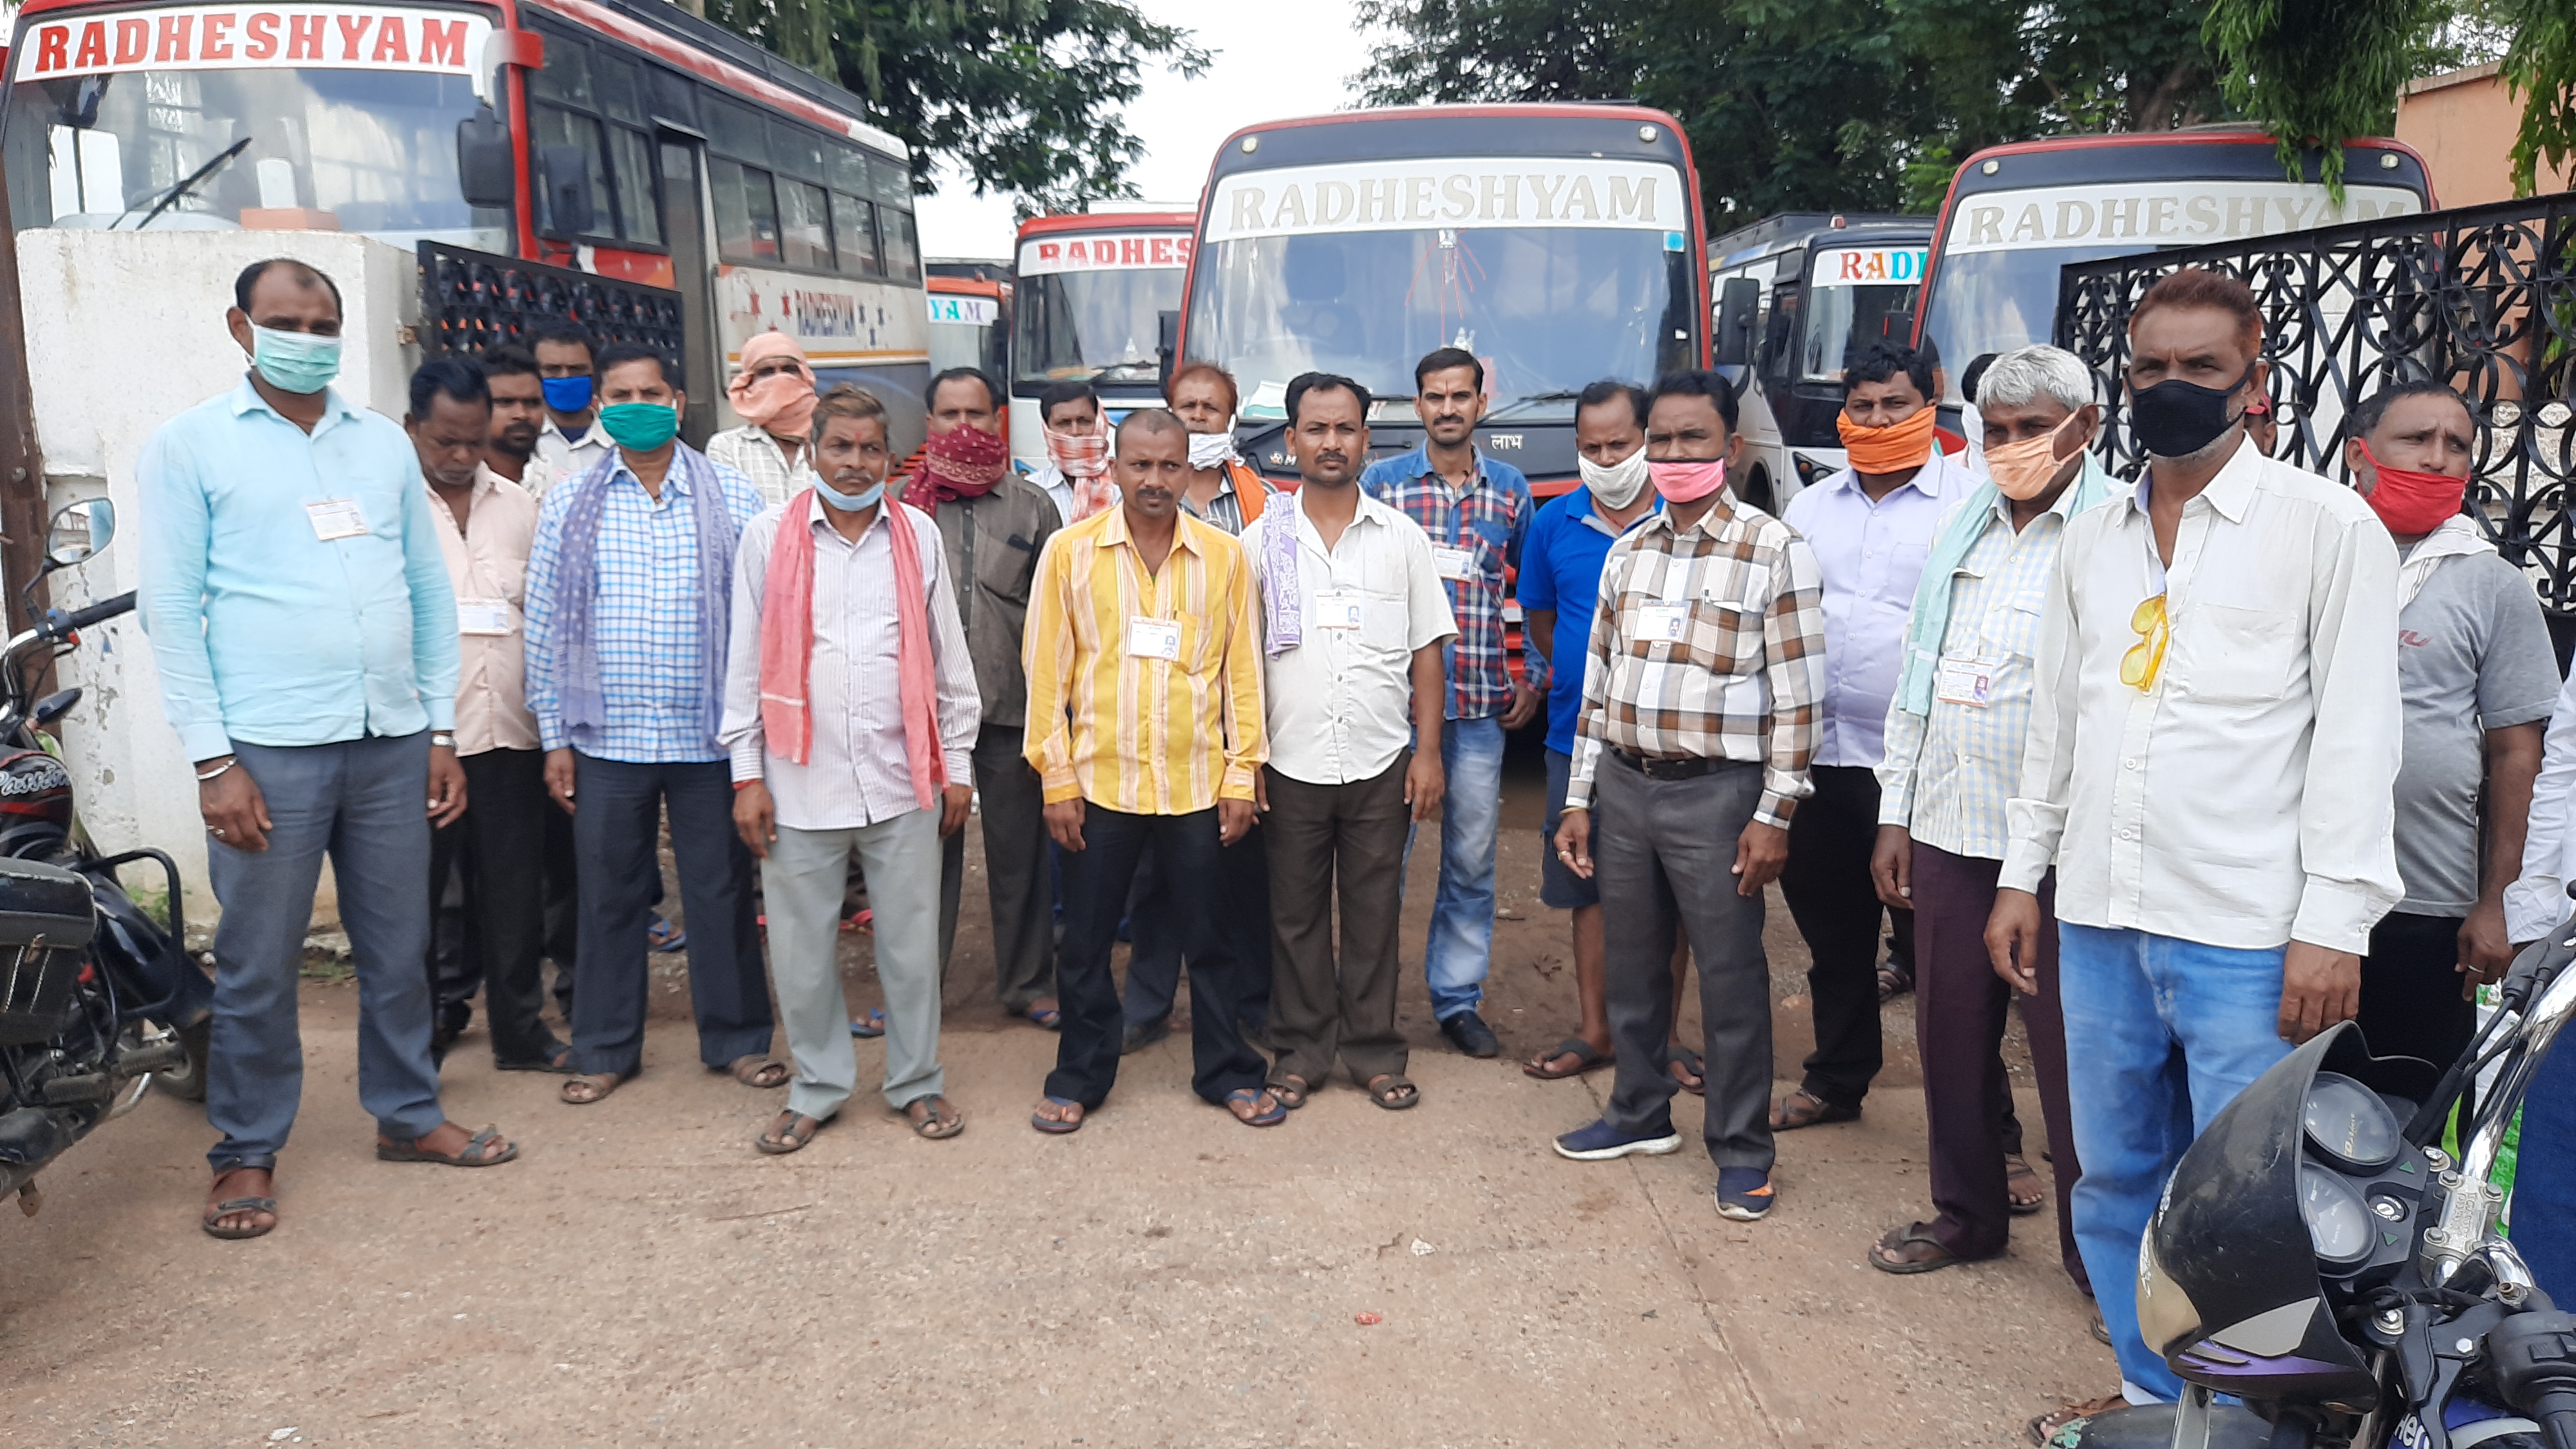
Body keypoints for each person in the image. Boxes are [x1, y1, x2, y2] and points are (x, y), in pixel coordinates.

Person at [1994, 269, 2402, 1432]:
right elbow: (2059, 722)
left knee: (2247, 1207)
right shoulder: (2095, 536)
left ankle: (2241, 1425)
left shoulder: (2326, 531)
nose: (2172, 390)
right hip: (2103, 919)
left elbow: (2358, 737)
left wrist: (2334, 922)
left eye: (2202, 369)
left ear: (2255, 383)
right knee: (2115, 1179)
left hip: (2248, 932)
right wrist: (2026, 876)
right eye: (2151, 372)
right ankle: (2148, 1395)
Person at [139, 258, 516, 1242]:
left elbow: (426, 593)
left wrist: (437, 730)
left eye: (323, 322)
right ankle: (246, 1149)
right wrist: (212, 760)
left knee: (399, 947)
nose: (306, 336)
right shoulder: (191, 447)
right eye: (285, 320)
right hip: (268, 749)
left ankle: (408, 1114)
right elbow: (172, 611)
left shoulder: (379, 448)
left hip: (392, 739)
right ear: (240, 326)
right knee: (260, 959)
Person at [1548, 370, 1824, 1225]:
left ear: (1729, 448)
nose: (1672, 456)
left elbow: (1800, 697)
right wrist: (1580, 797)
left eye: (1691, 440)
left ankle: (1742, 1151)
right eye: (1657, 441)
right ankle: (1638, 1111)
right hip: (1626, 786)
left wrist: (1776, 813)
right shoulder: (1629, 552)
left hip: (1719, 795)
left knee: (1732, 978)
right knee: (1634, 966)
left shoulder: (1773, 549)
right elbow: (1599, 683)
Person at [1864, 345, 2112, 1283]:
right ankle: (1966, 1213)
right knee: (1951, 1032)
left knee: (2071, 1057)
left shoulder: (2118, 529)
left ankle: (2098, 1252)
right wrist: (1897, 812)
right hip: (1951, 824)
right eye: (1996, 430)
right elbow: (1917, 679)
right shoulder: (1964, 527)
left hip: (2060, 844)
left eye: (2033, 429)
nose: (2011, 448)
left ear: (2082, 428)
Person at [524, 341, 781, 1106]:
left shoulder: (733, 496)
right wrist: (554, 738)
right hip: (607, 741)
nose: (638, 404)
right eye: (621, 394)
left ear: (677, 402)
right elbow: (544, 622)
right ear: (601, 408)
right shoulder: (571, 502)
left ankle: (736, 1038)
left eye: (652, 392)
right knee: (608, 895)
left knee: (721, 890)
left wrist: (754, 744)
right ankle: (604, 1046)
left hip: (709, 738)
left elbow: (763, 619)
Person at [724, 384, 980, 1150]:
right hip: (800, 783)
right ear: (812, 452)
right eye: (841, 447)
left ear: (889, 458)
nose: (856, 463)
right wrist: (747, 776)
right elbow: (744, 662)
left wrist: (957, 765)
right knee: (802, 956)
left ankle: (915, 1082)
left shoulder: (918, 536)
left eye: (871, 449)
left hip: (903, 780)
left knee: (910, 949)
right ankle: (818, 1086)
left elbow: (946, 662)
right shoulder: (768, 538)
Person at [1022, 408, 1277, 1132]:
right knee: (1088, 942)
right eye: (1140, 465)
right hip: (1100, 789)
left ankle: (1226, 1069)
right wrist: (1056, 778)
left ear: (1186, 464)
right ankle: (1080, 1073)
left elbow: (1243, 676)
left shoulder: (1224, 556)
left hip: (1196, 788)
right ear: (1113, 465)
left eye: (1169, 465)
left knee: (1213, 940)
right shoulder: (1070, 554)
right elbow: (1046, 673)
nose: (1155, 480)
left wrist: (1240, 775)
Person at [1239, 372, 1455, 1112]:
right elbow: (1238, 660)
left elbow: (1428, 651)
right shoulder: (1256, 542)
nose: (1330, 443)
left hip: (1377, 760)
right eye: (1316, 429)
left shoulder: (1402, 539)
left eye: (1345, 429)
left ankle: (1371, 1050)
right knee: (1291, 914)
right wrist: (1248, 759)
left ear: (1366, 438)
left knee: (1372, 912)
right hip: (1288, 760)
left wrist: (1426, 754)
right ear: (1291, 440)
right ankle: (1299, 1050)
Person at [1772, 341, 1966, 1132]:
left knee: (1943, 958)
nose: (1876, 420)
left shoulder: (1971, 504)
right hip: (1821, 761)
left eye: (1894, 404)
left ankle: (1988, 1131)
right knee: (1833, 938)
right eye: (1861, 407)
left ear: (1931, 401)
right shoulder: (1809, 509)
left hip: (1922, 770)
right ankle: (1836, 1081)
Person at [2345, 381, 2551, 1108]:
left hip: (2425, 908)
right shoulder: (2316, 558)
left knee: (2402, 1120)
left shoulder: (2492, 585)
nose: (2437, 460)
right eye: (2415, 440)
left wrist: (2496, 902)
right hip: (2292, 894)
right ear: (2358, 457)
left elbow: (2515, 754)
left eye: (2456, 445)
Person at [1360, 346, 1543, 1058]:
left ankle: (1457, 1001)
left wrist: (1529, 671)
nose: (1446, 408)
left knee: (1469, 865)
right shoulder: (1381, 485)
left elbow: (1528, 592)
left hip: (1478, 713)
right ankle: (1368, 1004)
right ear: (1417, 407)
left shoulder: (1509, 490)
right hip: (1394, 713)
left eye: (1459, 396)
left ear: (1480, 404)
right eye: (1433, 397)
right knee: (1383, 865)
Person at [1517, 381, 1700, 1090]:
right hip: (1575, 738)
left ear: (1646, 439)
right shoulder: (1553, 523)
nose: (1604, 458)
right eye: (1590, 447)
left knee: (1672, 891)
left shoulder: (1682, 515)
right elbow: (1541, 623)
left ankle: (1667, 1034)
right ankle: (1596, 1030)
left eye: (1619, 445)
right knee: (1584, 887)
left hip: (1669, 742)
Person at [406, 357, 566, 1075]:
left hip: (511, 736)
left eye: (473, 440)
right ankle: (421, 1036)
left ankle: (521, 1035)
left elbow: (546, 617)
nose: (462, 456)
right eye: (445, 441)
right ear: (413, 430)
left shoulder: (519, 507)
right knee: (418, 901)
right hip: (423, 744)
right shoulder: (392, 512)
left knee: (512, 896)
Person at [1121, 361, 1278, 1054]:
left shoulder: (1263, 503)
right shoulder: (1140, 498)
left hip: (1229, 716)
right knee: (1153, 882)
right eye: (1187, 405)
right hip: (1148, 724)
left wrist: (1251, 746)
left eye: (1212, 408)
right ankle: (1147, 1004)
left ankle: (1250, 1004)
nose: (1200, 416)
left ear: (1231, 417)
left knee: (1238, 876)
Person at [908, 366, 1064, 1027]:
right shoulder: (902, 507)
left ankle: (1027, 985)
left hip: (1009, 710)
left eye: (977, 414)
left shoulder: (1032, 505)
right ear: (929, 424)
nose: (964, 428)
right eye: (950, 415)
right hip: (920, 720)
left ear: (998, 421)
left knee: (1019, 858)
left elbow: (1060, 614)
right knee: (919, 863)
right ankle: (916, 993)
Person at [706, 330, 822, 507]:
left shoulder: (830, 442)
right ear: (749, 382)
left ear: (805, 376)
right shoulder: (727, 448)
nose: (780, 378)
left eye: (789, 369)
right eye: (767, 372)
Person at [1021, 379, 1116, 525]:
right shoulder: (1030, 492)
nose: (1075, 432)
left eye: (1084, 421)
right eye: (1064, 423)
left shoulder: (1123, 486)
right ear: (1047, 430)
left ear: (1099, 423)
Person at [530, 321, 611, 490]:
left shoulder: (618, 440)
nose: (565, 377)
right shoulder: (520, 437)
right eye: (553, 369)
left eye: (577, 369)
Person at [480, 345, 554, 496]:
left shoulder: (562, 485)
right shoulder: (455, 485)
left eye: (533, 403)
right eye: (505, 402)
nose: (522, 414)